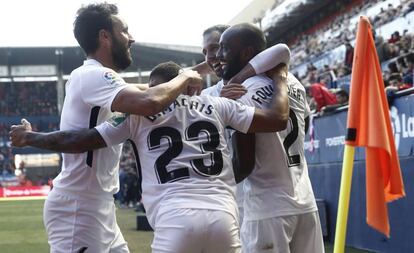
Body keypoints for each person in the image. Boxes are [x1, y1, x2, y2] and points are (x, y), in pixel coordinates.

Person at [10, 61, 290, 253]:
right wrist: (280, 79)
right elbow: (277, 119)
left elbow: (79, 139)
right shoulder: (218, 104)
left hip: (174, 218)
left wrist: (30, 138)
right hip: (224, 216)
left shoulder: (137, 116)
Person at [35, 3, 203, 253]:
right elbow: (150, 101)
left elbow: (153, 90)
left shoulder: (100, 79)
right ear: (105, 36)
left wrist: (206, 71)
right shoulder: (93, 75)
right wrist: (185, 77)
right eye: (124, 30)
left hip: (98, 205)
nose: (131, 37)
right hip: (78, 209)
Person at [217, 23, 324, 253]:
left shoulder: (241, 92)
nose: (218, 55)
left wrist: (214, 184)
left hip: (267, 208)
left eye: (224, 48)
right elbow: (302, 126)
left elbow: (244, 165)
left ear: (246, 53)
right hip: (305, 200)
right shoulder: (292, 81)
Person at [200, 24, 291, 225]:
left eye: (218, 47)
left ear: (242, 50)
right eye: (205, 52)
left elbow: (245, 162)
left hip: (253, 198)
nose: (213, 56)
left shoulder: (242, 92)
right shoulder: (285, 81)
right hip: (292, 194)